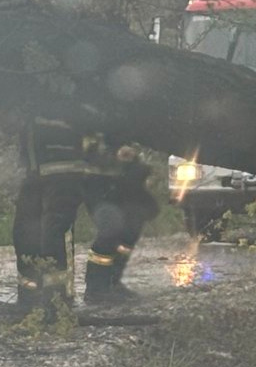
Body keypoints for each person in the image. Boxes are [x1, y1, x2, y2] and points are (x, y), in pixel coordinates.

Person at [9, 101, 158, 315]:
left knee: (116, 228)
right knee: (31, 234)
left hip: (86, 175)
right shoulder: (37, 100)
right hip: (60, 175)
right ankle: (35, 297)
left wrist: (119, 154)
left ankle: (94, 288)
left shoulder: (85, 103)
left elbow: (101, 133)